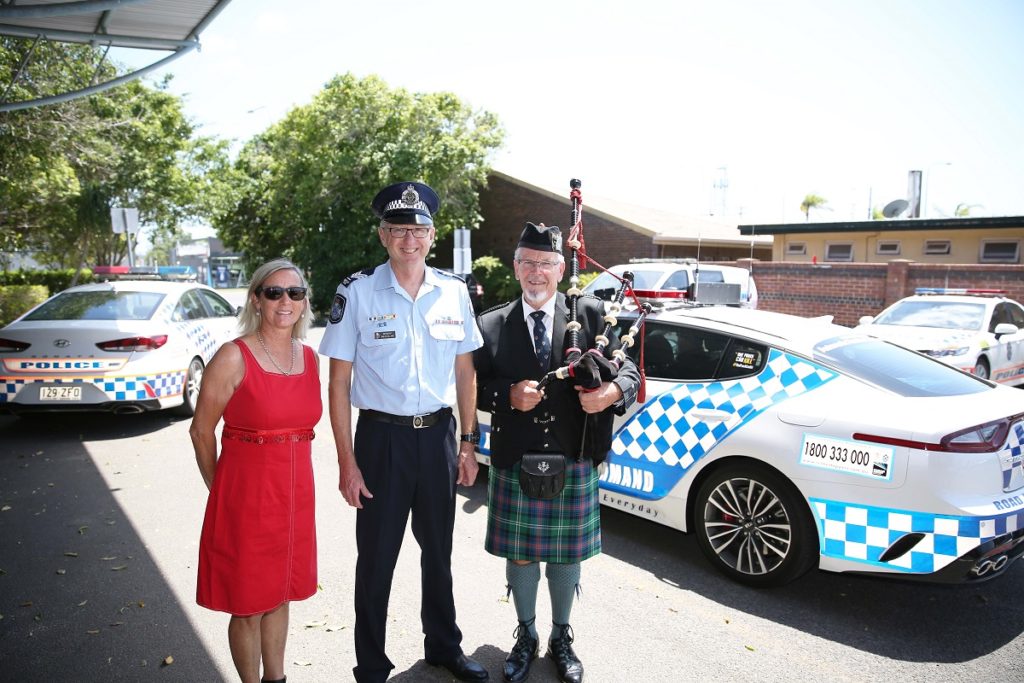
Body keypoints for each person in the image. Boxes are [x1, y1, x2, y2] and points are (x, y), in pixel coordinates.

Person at [319, 181, 488, 683]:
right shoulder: (357, 292)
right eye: (397, 229)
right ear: (382, 235)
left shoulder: (454, 292)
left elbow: (465, 374)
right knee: (376, 562)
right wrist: (347, 462)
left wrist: (467, 443)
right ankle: (370, 666)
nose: (408, 239)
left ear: (431, 235)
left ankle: (443, 646)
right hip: (380, 442)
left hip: (437, 438)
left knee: (438, 553)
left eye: (417, 230)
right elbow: (338, 381)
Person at [474, 223, 640, 683]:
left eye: (545, 263)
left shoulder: (590, 315)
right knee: (523, 556)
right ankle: (525, 635)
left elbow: (630, 373)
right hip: (516, 460)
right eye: (526, 262)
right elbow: (473, 385)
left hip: (575, 456)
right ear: (515, 267)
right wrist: (506, 395)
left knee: (567, 557)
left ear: (561, 268)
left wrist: (610, 394)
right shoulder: (490, 324)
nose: (535, 272)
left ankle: (560, 637)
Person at [191, 259, 322, 683]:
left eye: (295, 293)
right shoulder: (234, 356)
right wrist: (221, 489)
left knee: (281, 594)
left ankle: (277, 679)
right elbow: (200, 431)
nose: (286, 301)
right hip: (246, 499)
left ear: (304, 302)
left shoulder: (310, 358)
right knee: (247, 604)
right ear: (256, 299)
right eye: (274, 292)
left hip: (295, 497)